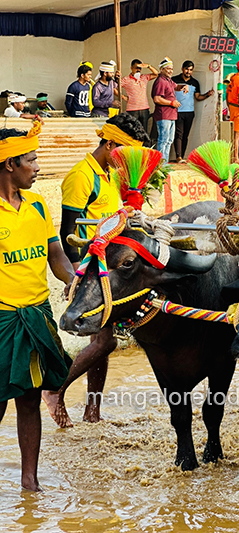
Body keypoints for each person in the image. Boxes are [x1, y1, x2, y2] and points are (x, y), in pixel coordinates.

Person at [42, 113, 150, 428]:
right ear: (111, 143)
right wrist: (78, 276)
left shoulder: (111, 175)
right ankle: (55, 389)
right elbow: (69, 231)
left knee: (100, 341)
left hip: (111, 268)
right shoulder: (81, 176)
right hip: (92, 271)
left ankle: (92, 412)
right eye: (126, 153)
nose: (128, 161)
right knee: (106, 342)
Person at [0, 123, 74, 491]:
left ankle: (30, 482)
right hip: (2, 320)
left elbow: (55, 253)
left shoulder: (38, 204)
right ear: (10, 164)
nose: (37, 167)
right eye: (31, 160)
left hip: (36, 316)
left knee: (30, 398)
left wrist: (73, 280)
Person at [172, 60, 214, 163]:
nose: (188, 72)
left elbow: (197, 97)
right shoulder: (174, 80)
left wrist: (207, 95)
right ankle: (178, 157)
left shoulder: (195, 82)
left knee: (185, 135)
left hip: (189, 112)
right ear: (182, 69)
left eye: (190, 70)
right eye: (186, 69)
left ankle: (181, 156)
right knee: (178, 134)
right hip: (177, 111)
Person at [151, 57, 189, 163]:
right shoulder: (160, 81)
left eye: (171, 69)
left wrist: (184, 86)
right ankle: (161, 165)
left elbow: (176, 87)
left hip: (171, 115)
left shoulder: (168, 80)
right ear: (162, 69)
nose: (170, 71)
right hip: (164, 115)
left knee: (169, 141)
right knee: (163, 140)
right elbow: (157, 98)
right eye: (168, 68)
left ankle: (165, 163)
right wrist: (172, 103)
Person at [121, 59, 158, 131]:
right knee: (132, 131)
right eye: (136, 68)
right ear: (131, 68)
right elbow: (113, 87)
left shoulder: (144, 77)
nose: (138, 70)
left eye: (140, 68)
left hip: (144, 109)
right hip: (132, 110)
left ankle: (143, 143)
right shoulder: (126, 79)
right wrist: (123, 97)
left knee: (144, 131)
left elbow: (156, 74)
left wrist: (148, 66)